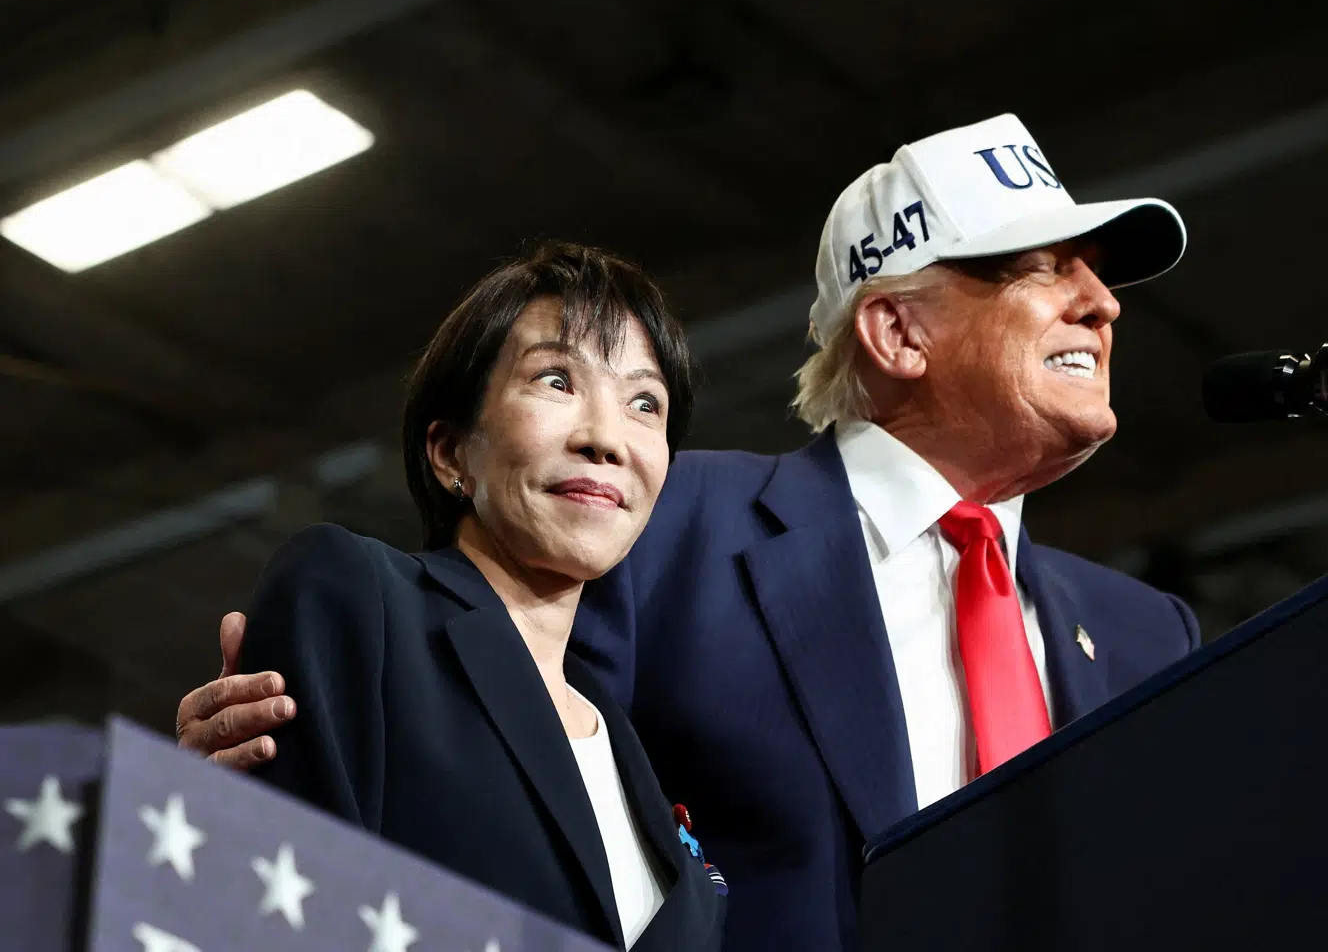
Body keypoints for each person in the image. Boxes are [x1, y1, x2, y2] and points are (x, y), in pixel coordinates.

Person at [178, 113, 1199, 950]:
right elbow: (474, 757)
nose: (1101, 303)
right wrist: (221, 814)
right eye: (1041, 267)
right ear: (897, 330)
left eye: (645, 404)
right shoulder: (669, 529)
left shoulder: (1153, 633)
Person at [230, 242, 725, 952]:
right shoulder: (359, 600)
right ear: (450, 451)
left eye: (644, 402)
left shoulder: (627, 741)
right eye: (557, 380)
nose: (606, 438)